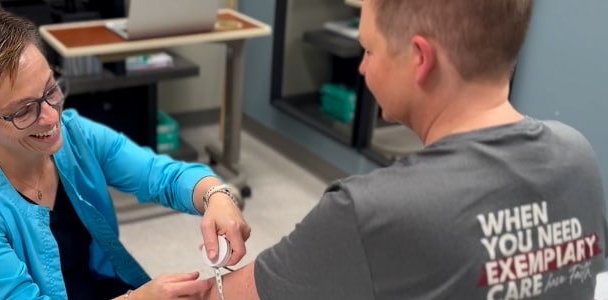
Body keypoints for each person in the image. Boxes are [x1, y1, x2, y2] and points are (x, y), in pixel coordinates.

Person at [194, 0, 608, 299]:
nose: (362, 67)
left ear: (419, 58)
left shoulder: (368, 212)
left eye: (370, 50)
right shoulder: (577, 156)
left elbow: (221, 298)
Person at [0, 2, 250, 299]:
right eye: (23, 111)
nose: (52, 117)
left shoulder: (76, 134)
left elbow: (159, 175)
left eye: (51, 89)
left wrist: (215, 196)